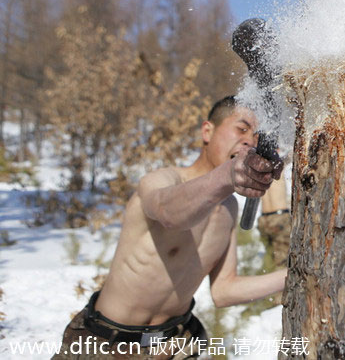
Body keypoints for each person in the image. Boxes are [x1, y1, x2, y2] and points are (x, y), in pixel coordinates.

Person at [53, 96, 286, 359]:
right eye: (241, 129)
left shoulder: (229, 207)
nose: (248, 141)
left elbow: (225, 290)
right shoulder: (162, 180)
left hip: (175, 342)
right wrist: (227, 176)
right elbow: (169, 214)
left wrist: (294, 275)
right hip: (107, 341)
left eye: (256, 138)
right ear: (207, 131)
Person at [257, 164, 291, 270]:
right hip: (279, 218)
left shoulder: (259, 171)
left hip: (264, 219)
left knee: (271, 260)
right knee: (284, 263)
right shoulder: (278, 169)